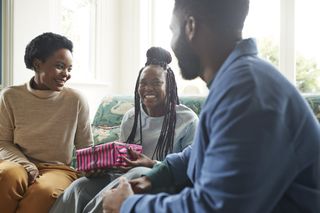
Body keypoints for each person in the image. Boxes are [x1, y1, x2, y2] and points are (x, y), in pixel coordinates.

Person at [102, 0, 320, 212]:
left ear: (190, 27)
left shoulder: (248, 94)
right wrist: (152, 179)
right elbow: (198, 153)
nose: (172, 42)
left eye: (172, 30)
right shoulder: (236, 81)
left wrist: (128, 206)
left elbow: (215, 207)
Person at [49, 47, 199, 213]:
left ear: (169, 86)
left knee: (138, 172)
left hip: (162, 183)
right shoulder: (131, 117)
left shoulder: (187, 119)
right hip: (127, 176)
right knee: (81, 186)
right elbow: (121, 161)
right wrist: (100, 168)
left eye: (156, 83)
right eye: (143, 83)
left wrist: (151, 164)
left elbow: (192, 168)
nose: (148, 88)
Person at [0, 32, 93, 213]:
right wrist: (28, 166)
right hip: (16, 163)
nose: (66, 74)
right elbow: (2, 142)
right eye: (60, 66)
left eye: (69, 68)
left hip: (57, 169)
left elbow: (85, 146)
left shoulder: (76, 99)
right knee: (7, 175)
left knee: (45, 191)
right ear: (37, 64)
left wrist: (93, 169)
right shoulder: (10, 96)